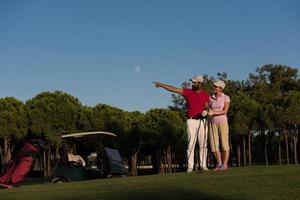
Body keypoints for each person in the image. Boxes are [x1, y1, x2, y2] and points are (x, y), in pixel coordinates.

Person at [153, 75, 209, 172]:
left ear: (200, 84)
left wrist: (206, 111)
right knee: (190, 144)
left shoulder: (205, 94)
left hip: (202, 121)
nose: (192, 83)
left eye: (194, 82)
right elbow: (174, 89)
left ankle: (203, 165)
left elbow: (207, 106)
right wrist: (162, 85)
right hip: (191, 121)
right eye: (192, 82)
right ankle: (190, 167)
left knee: (203, 144)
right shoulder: (188, 92)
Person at [208, 80, 231, 171]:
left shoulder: (226, 97)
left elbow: (225, 111)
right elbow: (209, 109)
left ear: (221, 88)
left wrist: (214, 112)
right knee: (214, 145)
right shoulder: (211, 98)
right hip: (212, 122)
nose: (214, 87)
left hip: (223, 122)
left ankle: (225, 164)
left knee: (224, 144)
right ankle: (219, 164)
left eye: (216, 86)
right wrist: (208, 112)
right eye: (214, 86)